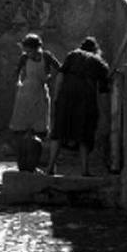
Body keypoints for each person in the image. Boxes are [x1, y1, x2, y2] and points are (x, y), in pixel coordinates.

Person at [46, 36, 110, 177]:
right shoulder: (99, 63)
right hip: (85, 99)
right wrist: (105, 114)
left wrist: (57, 98)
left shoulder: (72, 55)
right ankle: (84, 170)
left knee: (59, 132)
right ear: (96, 50)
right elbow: (104, 90)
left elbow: (60, 77)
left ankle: (50, 167)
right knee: (85, 134)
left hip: (66, 97)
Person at [7, 33, 60, 170]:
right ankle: (23, 163)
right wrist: (18, 83)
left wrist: (52, 78)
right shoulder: (24, 58)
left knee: (40, 129)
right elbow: (16, 73)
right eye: (26, 51)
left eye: (30, 50)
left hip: (40, 93)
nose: (28, 53)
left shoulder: (46, 56)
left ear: (37, 48)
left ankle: (35, 162)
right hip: (25, 94)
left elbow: (60, 68)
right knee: (21, 129)